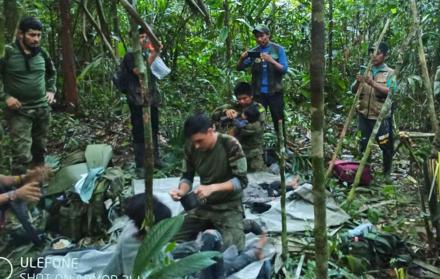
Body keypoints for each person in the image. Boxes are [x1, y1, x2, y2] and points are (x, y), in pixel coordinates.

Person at [169, 112, 248, 251]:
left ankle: (245, 224)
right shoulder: (191, 147)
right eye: (194, 142)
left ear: (211, 131)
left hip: (228, 206)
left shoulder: (230, 144)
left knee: (234, 249)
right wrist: (182, 190)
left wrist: (212, 188)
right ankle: (210, 227)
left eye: (200, 141)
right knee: (168, 237)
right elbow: (187, 176)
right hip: (203, 206)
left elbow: (241, 182)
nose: (197, 146)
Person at [0, 16, 56, 175]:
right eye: (31, 35)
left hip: (42, 109)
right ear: (20, 34)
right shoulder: (8, 53)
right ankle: (20, 194)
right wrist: (6, 97)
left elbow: (52, 72)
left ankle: (37, 187)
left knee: (40, 150)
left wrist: (51, 90)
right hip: (20, 111)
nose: (36, 39)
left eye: (38, 35)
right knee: (22, 156)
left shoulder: (42, 53)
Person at [120, 28, 163, 177]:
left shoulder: (148, 54)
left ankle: (155, 158)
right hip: (137, 100)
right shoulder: (130, 56)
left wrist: (155, 53)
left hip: (151, 98)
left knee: (154, 127)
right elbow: (140, 71)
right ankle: (140, 164)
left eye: (146, 37)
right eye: (141, 37)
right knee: (139, 131)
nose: (144, 40)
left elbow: (158, 72)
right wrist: (154, 53)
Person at [352, 42, 397, 176]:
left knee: (385, 145)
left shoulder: (390, 73)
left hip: (380, 117)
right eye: (372, 52)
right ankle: (366, 174)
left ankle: (386, 174)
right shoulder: (366, 70)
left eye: (378, 53)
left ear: (385, 56)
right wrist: (359, 81)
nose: (374, 56)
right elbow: (353, 90)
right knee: (364, 144)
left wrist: (371, 82)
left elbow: (391, 92)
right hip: (363, 115)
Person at [237, 24, 288, 133]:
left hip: (275, 92)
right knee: (256, 119)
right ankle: (258, 146)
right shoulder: (254, 52)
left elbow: (284, 69)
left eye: (262, 36)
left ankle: (282, 145)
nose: (259, 39)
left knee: (278, 119)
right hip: (259, 94)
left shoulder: (278, 49)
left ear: (268, 35)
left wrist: (271, 60)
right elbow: (240, 67)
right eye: (257, 37)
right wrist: (242, 58)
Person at [213, 82, 266, 172]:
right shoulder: (234, 106)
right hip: (235, 153)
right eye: (239, 99)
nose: (241, 101)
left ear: (251, 96)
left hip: (252, 154)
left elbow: (255, 128)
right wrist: (225, 111)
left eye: (244, 98)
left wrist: (237, 120)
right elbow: (214, 115)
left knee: (258, 179)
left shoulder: (259, 109)